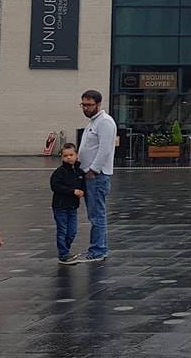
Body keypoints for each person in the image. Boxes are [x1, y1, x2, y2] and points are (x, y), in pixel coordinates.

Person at [76, 89, 116, 262]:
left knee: (97, 215)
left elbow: (105, 149)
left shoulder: (105, 122)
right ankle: (99, 249)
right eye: (83, 105)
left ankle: (98, 251)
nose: (85, 108)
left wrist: (94, 169)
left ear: (98, 104)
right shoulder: (94, 122)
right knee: (96, 215)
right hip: (89, 174)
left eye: (89, 105)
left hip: (96, 176)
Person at [50, 144, 86, 264]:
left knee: (72, 231)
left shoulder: (79, 172)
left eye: (71, 155)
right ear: (62, 157)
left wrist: (82, 191)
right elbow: (55, 186)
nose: (69, 158)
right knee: (62, 230)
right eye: (65, 156)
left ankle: (65, 250)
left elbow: (82, 185)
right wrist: (72, 191)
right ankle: (63, 254)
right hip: (60, 206)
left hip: (73, 207)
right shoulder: (59, 172)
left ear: (76, 155)